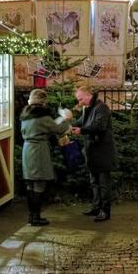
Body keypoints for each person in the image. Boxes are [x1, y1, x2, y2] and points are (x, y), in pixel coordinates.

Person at [19, 89, 73, 227]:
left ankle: (31, 216)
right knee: (39, 183)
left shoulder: (26, 115)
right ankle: (36, 217)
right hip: (38, 151)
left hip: (27, 150)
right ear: (43, 102)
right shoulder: (43, 117)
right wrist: (67, 118)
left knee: (30, 184)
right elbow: (58, 129)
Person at [72, 84, 115, 222]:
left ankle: (105, 210)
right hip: (92, 151)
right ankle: (97, 207)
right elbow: (80, 123)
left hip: (102, 152)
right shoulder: (89, 109)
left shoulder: (101, 108)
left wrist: (81, 130)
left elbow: (99, 126)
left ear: (88, 95)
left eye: (80, 99)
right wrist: (70, 124)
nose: (80, 102)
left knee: (103, 183)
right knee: (94, 182)